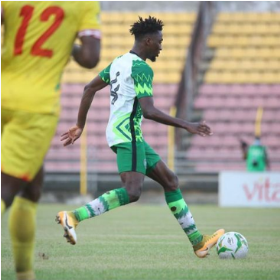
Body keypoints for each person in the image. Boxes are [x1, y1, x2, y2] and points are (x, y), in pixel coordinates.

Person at [57, 16, 225, 259]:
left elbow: (88, 89)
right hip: (128, 133)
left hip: (121, 132)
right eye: (159, 42)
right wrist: (186, 124)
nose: (161, 46)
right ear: (147, 41)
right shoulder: (141, 68)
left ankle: (198, 242)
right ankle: (74, 216)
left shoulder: (118, 62)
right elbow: (149, 111)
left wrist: (79, 125)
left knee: (170, 181)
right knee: (133, 191)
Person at [1, 2, 101, 280]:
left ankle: (24, 274)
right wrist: (67, 42)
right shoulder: (83, 4)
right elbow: (91, 58)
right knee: (6, 188)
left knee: (31, 188)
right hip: (34, 107)